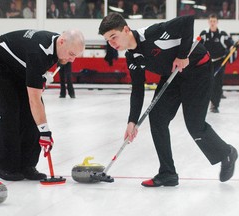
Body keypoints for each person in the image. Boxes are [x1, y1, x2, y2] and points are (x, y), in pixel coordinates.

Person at [98, 13, 238, 187]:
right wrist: (132, 120)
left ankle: (227, 153)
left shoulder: (153, 33)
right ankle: (168, 173)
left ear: (126, 29)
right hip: (172, 75)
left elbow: (188, 21)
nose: (112, 43)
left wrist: (182, 55)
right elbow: (137, 89)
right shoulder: (132, 57)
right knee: (157, 117)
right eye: (108, 40)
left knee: (195, 125)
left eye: (113, 37)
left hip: (198, 71)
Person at [0, 29, 85, 181]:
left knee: (30, 114)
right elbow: (35, 100)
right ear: (62, 42)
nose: (72, 60)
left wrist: (41, 77)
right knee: (10, 112)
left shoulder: (57, 45)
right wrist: (45, 132)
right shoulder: (39, 52)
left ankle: (27, 165)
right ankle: (2, 165)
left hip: (16, 68)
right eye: (72, 54)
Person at [200, 13, 234, 113]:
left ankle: (215, 105)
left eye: (214, 21)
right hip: (207, 62)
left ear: (217, 22)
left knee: (217, 84)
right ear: (208, 22)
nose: (212, 23)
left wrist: (232, 46)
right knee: (205, 83)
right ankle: (203, 103)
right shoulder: (204, 33)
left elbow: (231, 43)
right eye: (211, 21)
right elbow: (197, 44)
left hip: (220, 62)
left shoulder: (223, 34)